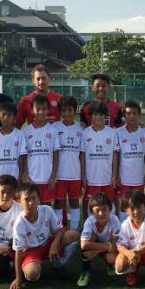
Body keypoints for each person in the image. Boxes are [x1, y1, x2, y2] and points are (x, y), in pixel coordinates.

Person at [9, 184, 80, 289]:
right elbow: (18, 252)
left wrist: (54, 244)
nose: (31, 203)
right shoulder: (19, 223)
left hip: (47, 244)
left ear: (39, 199)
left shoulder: (46, 210)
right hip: (30, 251)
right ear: (19, 201)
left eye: (34, 198)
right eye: (26, 199)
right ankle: (35, 266)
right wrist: (18, 278)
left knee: (74, 235)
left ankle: (58, 264)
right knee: (32, 274)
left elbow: (60, 229)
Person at [21, 95, 60, 207]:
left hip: (46, 178)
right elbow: (23, 156)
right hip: (31, 179)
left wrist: (53, 176)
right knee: (30, 206)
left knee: (46, 206)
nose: (41, 112)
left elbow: (56, 156)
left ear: (48, 110)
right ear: (32, 110)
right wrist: (25, 174)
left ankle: (46, 225)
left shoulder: (53, 131)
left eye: (44, 109)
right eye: (37, 109)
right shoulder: (26, 132)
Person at [76, 192, 120, 288]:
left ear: (110, 209)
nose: (101, 213)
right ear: (92, 212)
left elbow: (113, 244)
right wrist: (105, 246)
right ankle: (85, 271)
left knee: (112, 258)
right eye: (97, 210)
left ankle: (109, 264)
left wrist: (96, 251)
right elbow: (83, 245)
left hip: (106, 246)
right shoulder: (89, 221)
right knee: (89, 239)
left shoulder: (115, 220)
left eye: (104, 209)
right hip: (101, 244)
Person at [53, 96, 84, 230]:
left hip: (75, 174)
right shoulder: (54, 127)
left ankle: (74, 232)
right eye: (64, 111)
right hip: (59, 174)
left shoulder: (81, 128)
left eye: (70, 110)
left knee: (74, 202)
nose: (67, 113)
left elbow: (82, 154)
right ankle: (59, 231)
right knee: (59, 202)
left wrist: (83, 176)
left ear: (75, 110)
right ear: (60, 112)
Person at [81, 103, 118, 205]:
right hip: (91, 178)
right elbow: (83, 156)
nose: (98, 117)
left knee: (109, 204)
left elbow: (115, 155)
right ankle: (87, 221)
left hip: (107, 177)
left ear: (105, 116)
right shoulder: (85, 133)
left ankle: (112, 221)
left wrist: (114, 176)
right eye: (95, 114)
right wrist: (83, 176)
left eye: (101, 115)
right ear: (91, 116)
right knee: (89, 204)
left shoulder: (112, 133)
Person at [114, 100, 145, 199]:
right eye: (128, 113)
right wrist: (116, 175)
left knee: (137, 202)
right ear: (124, 115)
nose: (131, 116)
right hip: (124, 177)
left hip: (138, 177)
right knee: (124, 204)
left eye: (134, 113)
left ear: (139, 115)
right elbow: (116, 155)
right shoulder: (118, 132)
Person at [0, 102, 24, 187]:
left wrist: (20, 178)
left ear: (14, 118)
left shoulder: (20, 134)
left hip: (14, 178)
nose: (6, 117)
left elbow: (21, 158)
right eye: (3, 114)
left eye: (9, 115)